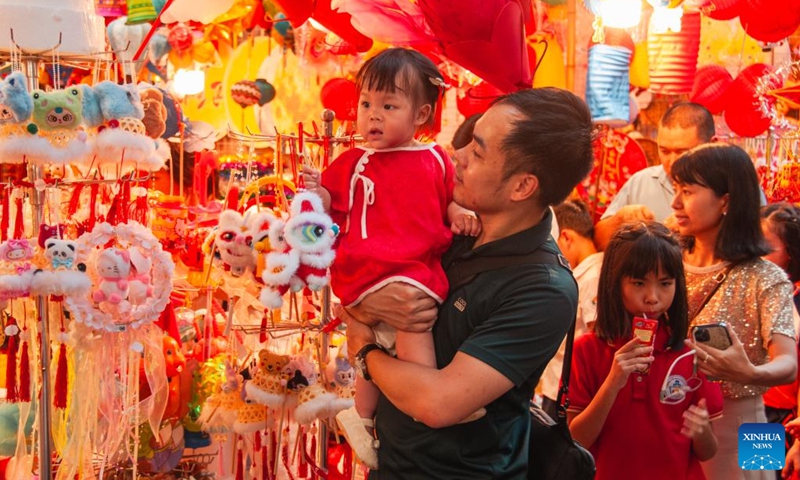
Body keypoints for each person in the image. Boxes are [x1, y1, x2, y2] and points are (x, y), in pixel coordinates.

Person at [336, 87, 595, 479]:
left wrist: (364, 350)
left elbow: (438, 403)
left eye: (477, 151)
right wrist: (364, 308)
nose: (456, 156)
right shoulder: (451, 227)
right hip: (392, 465)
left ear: (522, 186)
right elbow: (358, 285)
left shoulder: (543, 289)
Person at [302, 48, 480, 469]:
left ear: (420, 114)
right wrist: (317, 188)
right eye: (366, 105)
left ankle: (363, 416)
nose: (373, 116)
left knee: (385, 339)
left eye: (388, 106)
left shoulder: (435, 158)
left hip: (413, 262)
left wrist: (458, 215)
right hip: (372, 263)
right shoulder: (355, 161)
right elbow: (331, 203)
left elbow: (446, 202)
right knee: (413, 323)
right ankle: (429, 396)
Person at [672, 144, 797, 480]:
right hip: (671, 420)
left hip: (750, 420)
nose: (675, 204)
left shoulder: (766, 277)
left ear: (725, 201)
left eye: (687, 191)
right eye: (675, 190)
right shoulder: (665, 264)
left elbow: (787, 363)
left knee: (760, 477)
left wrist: (751, 373)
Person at [568, 222, 722, 480]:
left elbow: (707, 451)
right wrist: (613, 382)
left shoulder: (690, 353)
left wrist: (702, 431)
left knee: (762, 468)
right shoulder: (587, 350)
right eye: (639, 283)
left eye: (665, 283)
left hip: (751, 426)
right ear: (614, 282)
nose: (652, 296)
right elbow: (576, 440)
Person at [594, 102, 715, 250]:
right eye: (664, 151)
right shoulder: (641, 182)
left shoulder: (727, 185)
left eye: (682, 152)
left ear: (712, 145)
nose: (672, 162)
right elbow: (599, 242)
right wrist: (619, 220)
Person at [539, 199, 603, 419]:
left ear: (565, 236)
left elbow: (598, 335)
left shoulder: (593, 276)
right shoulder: (582, 273)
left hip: (569, 385)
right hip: (558, 383)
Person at [758, 203, 800, 480]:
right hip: (757, 409)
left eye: (767, 247)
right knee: (757, 473)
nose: (756, 255)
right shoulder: (757, 289)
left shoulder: (796, 299)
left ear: (792, 254)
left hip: (785, 418)